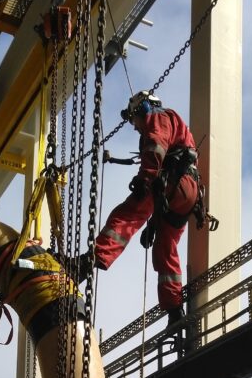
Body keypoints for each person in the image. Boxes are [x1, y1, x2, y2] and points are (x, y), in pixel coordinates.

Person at [80, 90, 207, 328]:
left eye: (134, 121)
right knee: (164, 247)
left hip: (173, 181)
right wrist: (155, 223)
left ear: (142, 109)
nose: (136, 127)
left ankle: (91, 261)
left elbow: (156, 146)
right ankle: (174, 311)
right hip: (187, 194)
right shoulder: (174, 122)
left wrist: (145, 178)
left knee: (128, 214)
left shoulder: (157, 117)